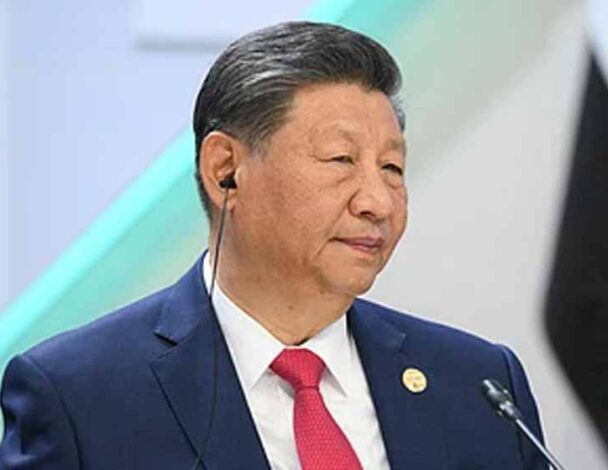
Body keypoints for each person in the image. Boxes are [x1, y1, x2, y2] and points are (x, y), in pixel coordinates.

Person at [0, 21, 545, 469]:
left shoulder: (479, 385)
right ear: (225, 171)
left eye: (392, 167)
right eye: (341, 160)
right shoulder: (79, 398)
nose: (378, 201)